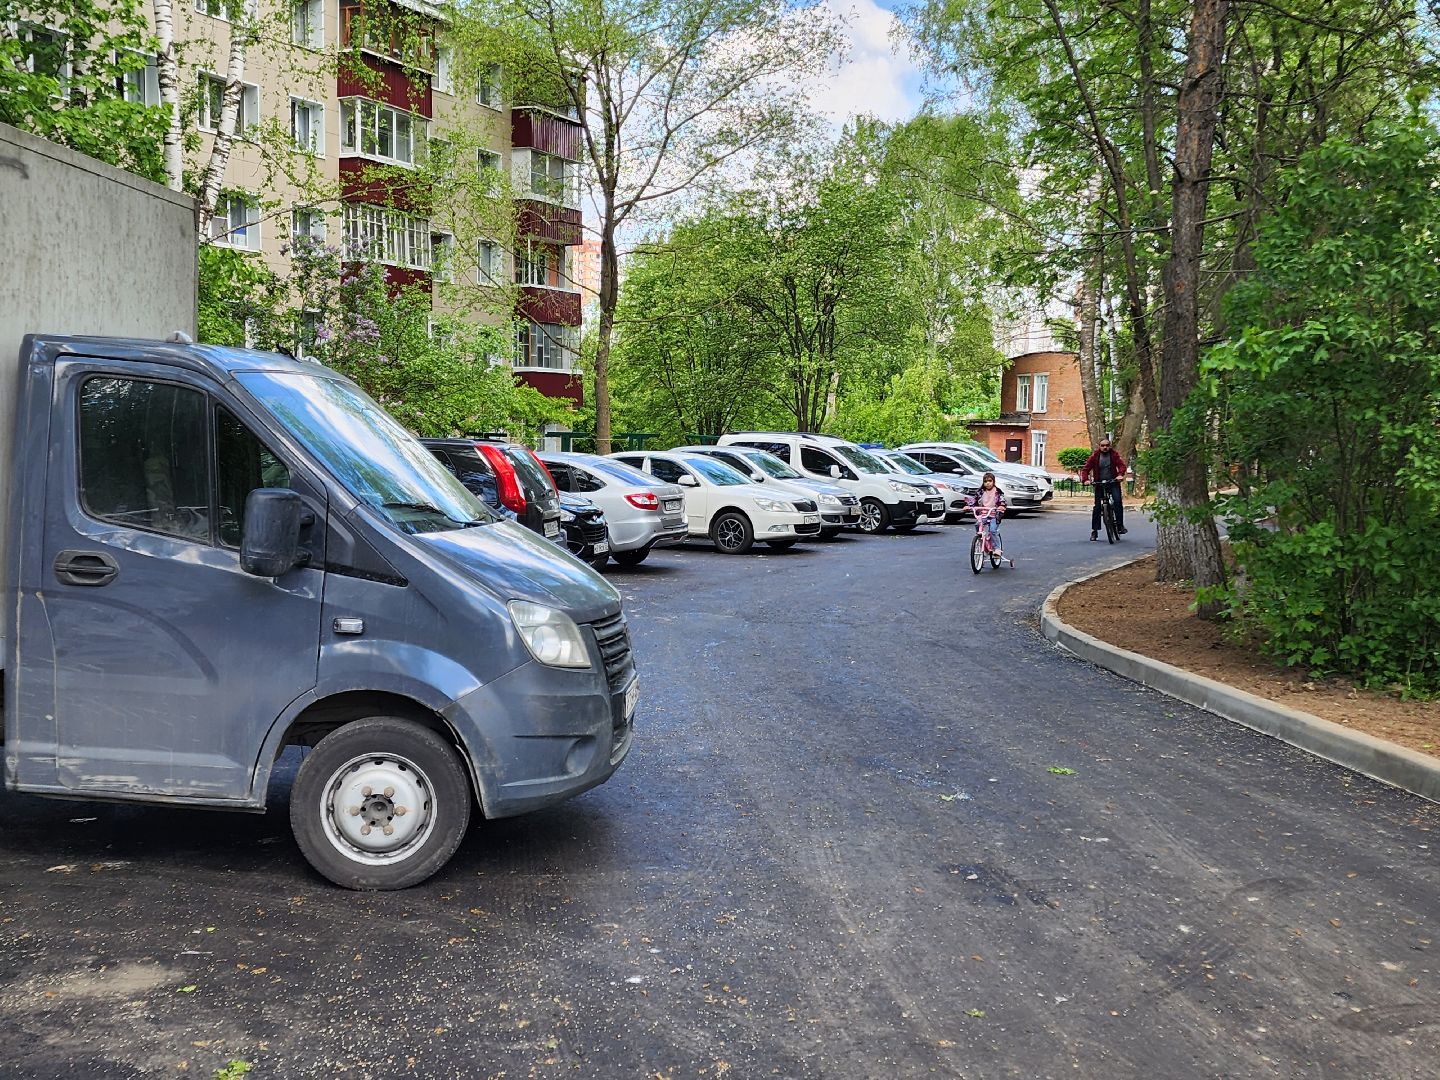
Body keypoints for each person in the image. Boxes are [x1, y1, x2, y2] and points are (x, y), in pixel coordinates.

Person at [1079, 437, 1127, 541]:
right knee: (1097, 507)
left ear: (1110, 446)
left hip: (1113, 483)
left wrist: (1120, 475)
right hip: (1099, 484)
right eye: (1103, 445)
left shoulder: (1114, 455)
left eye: (1107, 445)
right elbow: (1085, 469)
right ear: (1099, 446)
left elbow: (1121, 466)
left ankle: (1120, 526)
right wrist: (1085, 480)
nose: (1105, 447)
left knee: (1117, 502)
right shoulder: (1095, 456)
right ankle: (1094, 531)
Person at [972, 472, 1006, 553]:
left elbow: (1002, 501)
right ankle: (981, 540)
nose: (988, 483)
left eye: (990, 481)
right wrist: (969, 505)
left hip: (994, 515)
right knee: (977, 525)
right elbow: (974, 500)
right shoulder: (980, 492)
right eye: (985, 481)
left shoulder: (998, 492)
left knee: (993, 531)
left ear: (994, 481)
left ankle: (997, 549)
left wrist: (1001, 506)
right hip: (983, 515)